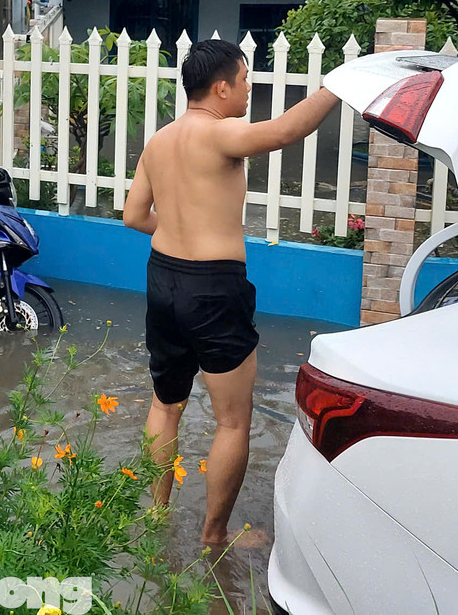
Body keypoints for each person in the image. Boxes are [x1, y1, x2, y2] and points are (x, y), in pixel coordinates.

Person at [123, 38, 338, 547]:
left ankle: (156, 515)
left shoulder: (159, 141)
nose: (248, 91)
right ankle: (214, 535)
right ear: (221, 87)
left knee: (165, 403)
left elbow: (133, 216)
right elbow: (287, 129)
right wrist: (339, 86)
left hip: (162, 279)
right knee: (233, 422)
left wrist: (176, 228)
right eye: (245, 82)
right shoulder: (219, 134)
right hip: (214, 288)